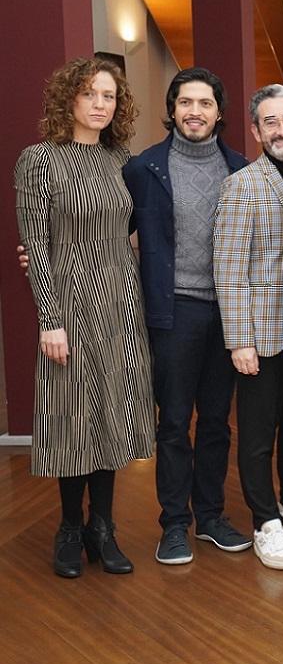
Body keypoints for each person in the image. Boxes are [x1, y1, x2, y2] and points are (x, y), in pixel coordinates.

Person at [15, 57, 155, 578]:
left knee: (112, 414)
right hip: (70, 307)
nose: (100, 104)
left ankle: (104, 527)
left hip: (120, 304)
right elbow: (35, 245)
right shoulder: (40, 160)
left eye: (110, 97)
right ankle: (70, 526)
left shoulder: (124, 162)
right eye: (91, 94)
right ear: (68, 99)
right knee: (73, 417)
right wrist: (49, 318)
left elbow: (136, 233)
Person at [122, 68, 251, 565]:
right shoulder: (143, 169)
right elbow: (110, 231)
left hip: (229, 313)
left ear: (219, 112)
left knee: (218, 421)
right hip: (173, 312)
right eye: (185, 102)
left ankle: (212, 517)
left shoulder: (240, 168)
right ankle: (174, 524)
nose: (194, 111)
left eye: (204, 103)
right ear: (172, 109)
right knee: (174, 421)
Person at [214, 84, 283, 570]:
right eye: (270, 122)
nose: (282, 129)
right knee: (258, 432)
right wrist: (239, 341)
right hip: (263, 331)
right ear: (255, 131)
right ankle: (265, 521)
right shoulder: (242, 186)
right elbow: (229, 269)